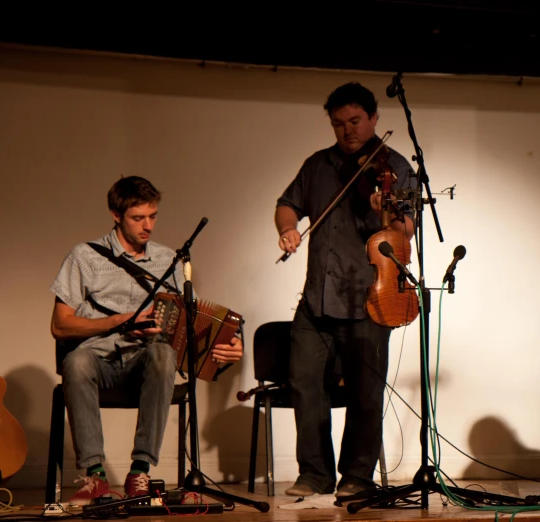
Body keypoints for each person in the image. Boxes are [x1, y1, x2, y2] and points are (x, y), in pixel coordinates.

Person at [49, 176, 243, 506]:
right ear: (116, 214)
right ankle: (94, 477)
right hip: (100, 360)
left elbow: (187, 325)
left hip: (147, 361)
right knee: (76, 361)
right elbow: (60, 325)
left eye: (153, 216)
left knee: (164, 355)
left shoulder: (169, 260)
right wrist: (120, 321)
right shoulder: (85, 256)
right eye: (138, 218)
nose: (148, 225)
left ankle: (140, 470)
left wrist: (225, 347)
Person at [275, 82, 417, 498]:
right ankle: (314, 474)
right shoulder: (317, 165)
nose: (347, 130)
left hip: (369, 297)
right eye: (338, 123)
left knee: (366, 393)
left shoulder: (394, 166)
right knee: (304, 383)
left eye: (355, 121)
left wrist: (387, 211)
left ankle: (357, 476)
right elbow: (287, 203)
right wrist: (287, 228)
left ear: (374, 119)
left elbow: (408, 229)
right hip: (316, 297)